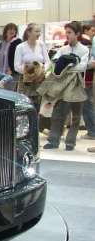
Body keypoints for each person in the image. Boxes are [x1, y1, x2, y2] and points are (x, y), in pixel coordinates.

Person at [43, 22, 90, 151]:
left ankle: (70, 142)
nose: (67, 35)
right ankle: (53, 140)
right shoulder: (63, 49)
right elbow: (55, 61)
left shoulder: (84, 49)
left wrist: (67, 65)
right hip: (62, 85)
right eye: (66, 32)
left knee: (76, 115)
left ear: (77, 34)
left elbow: (83, 66)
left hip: (77, 84)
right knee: (58, 113)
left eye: (70, 32)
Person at [14, 23, 50, 111]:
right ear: (29, 33)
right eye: (36, 31)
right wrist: (30, 73)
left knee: (39, 107)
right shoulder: (20, 47)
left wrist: (43, 71)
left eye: (39, 31)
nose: (38, 33)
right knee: (25, 107)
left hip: (40, 80)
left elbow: (48, 61)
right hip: (26, 82)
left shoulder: (41, 45)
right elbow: (16, 66)